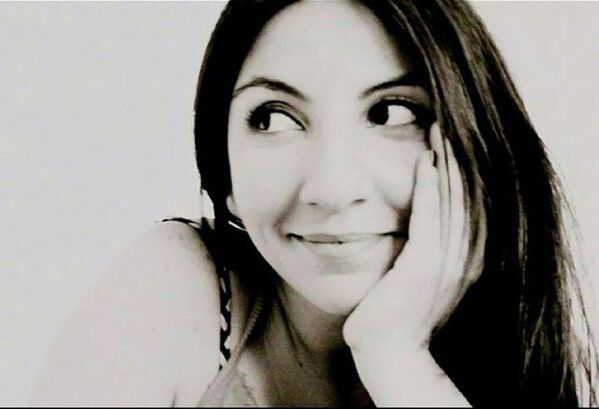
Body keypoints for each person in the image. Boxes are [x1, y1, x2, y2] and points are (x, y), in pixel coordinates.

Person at [31, 0, 597, 406]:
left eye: (391, 113)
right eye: (274, 118)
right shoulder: (176, 289)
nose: (331, 188)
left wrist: (395, 358)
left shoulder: (516, 353)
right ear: (225, 176)